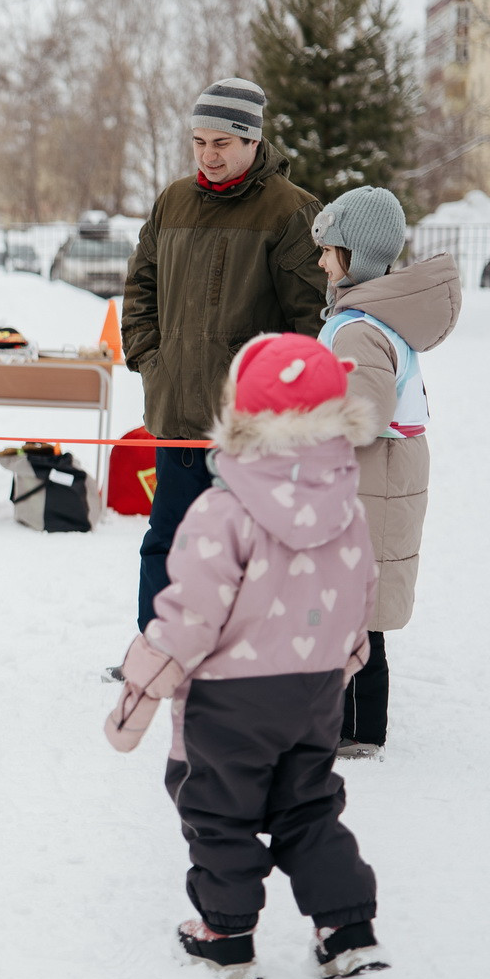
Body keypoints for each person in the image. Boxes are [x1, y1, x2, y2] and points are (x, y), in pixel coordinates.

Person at [105, 333, 389, 979]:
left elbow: (190, 614)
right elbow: (358, 593)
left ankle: (226, 932)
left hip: (229, 699)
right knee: (307, 805)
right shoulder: (345, 507)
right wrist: (346, 658)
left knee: (218, 808)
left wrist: (141, 687)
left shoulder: (222, 509)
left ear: (240, 411)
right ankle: (345, 926)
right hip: (315, 691)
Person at [122, 78, 329, 633]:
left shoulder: (291, 211)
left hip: (247, 429)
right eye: (199, 142)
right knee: (166, 541)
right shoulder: (172, 201)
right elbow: (140, 286)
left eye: (222, 143)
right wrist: (150, 358)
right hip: (176, 416)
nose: (208, 156)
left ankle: (236, 658)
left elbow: (313, 323)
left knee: (242, 550)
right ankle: (158, 649)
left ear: (253, 142)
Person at [312, 188, 461, 758]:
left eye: (329, 251)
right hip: (376, 480)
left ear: (357, 255)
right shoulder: (371, 319)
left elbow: (362, 415)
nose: (321, 261)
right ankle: (352, 727)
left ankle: (351, 733)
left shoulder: (359, 329)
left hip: (371, 483)